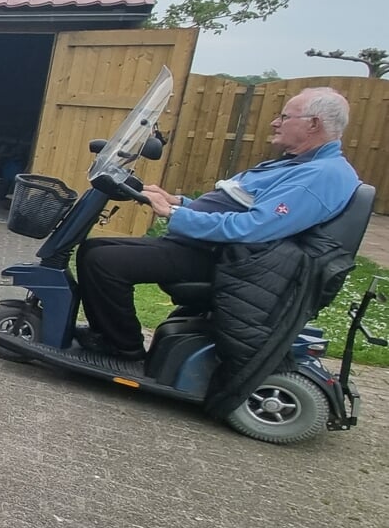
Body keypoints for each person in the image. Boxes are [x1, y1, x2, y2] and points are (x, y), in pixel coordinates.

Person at [77, 87, 360, 359]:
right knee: (92, 249)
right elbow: (241, 203)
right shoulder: (298, 164)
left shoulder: (321, 175)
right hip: (211, 248)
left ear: (313, 124)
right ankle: (106, 334)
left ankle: (122, 346)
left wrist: (176, 215)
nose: (275, 123)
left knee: (104, 260)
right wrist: (179, 202)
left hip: (231, 261)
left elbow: (254, 228)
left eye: (285, 117)